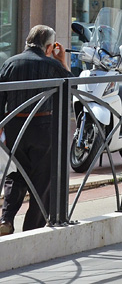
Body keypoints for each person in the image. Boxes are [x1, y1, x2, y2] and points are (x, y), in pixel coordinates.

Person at [0, 25, 72, 234]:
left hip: (14, 128)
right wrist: (62, 62)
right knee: (42, 178)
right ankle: (32, 228)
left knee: (16, 172)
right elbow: (72, 86)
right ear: (50, 47)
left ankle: (6, 219)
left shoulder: (10, 63)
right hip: (43, 127)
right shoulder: (52, 65)